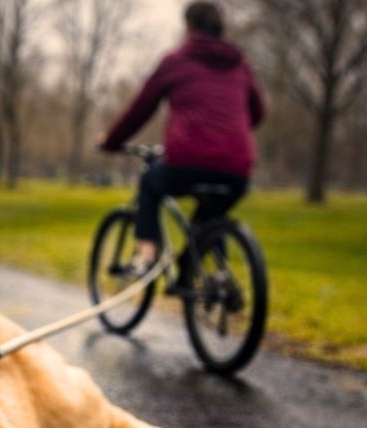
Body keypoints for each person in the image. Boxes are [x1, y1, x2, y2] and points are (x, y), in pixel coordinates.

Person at [98, 1, 265, 279]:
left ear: (189, 27)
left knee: (150, 181)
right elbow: (258, 113)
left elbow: (141, 109)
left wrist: (111, 141)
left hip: (188, 162)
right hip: (238, 169)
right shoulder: (241, 64)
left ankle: (145, 258)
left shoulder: (176, 61)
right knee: (210, 219)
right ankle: (205, 273)